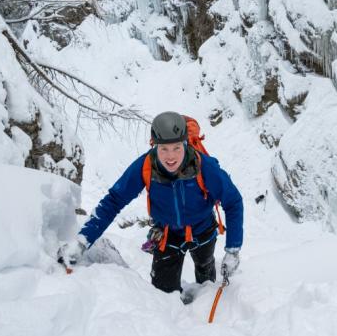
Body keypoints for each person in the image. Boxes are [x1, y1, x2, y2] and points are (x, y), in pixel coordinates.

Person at [58, 111, 244, 294]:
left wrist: (233, 249)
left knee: (206, 275)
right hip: (167, 235)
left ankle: (204, 286)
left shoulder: (204, 166)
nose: (170, 157)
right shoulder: (146, 166)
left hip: (203, 230)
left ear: (185, 144)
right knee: (162, 297)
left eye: (176, 148)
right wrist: (83, 241)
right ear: (154, 145)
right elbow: (113, 201)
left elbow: (233, 201)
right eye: (164, 149)